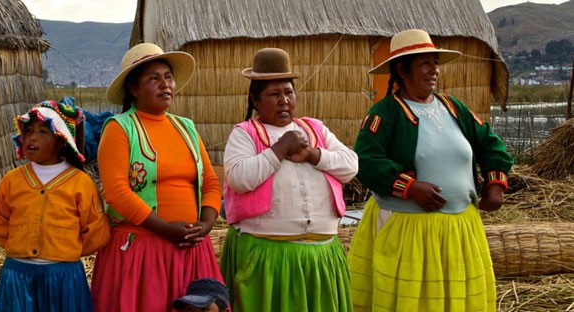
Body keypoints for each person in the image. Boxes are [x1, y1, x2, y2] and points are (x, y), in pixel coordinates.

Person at [348, 29, 514, 311]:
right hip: (410, 230)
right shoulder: (385, 113)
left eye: (435, 62)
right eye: (425, 63)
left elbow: (490, 143)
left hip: (460, 229)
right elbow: (366, 160)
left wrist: (495, 184)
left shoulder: (453, 107)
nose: (434, 70)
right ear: (402, 69)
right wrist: (409, 187)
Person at [220, 47, 359, 311]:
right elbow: (239, 178)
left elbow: (350, 165)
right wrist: (279, 150)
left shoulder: (314, 129)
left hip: (321, 256)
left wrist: (312, 155)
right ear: (256, 100)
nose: (284, 100)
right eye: (274, 94)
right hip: (268, 257)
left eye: (288, 92)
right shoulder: (245, 134)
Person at [90, 42, 224, 312]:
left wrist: (207, 224)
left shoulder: (185, 127)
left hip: (191, 249)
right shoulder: (120, 128)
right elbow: (117, 192)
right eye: (154, 78)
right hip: (142, 251)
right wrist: (165, 229)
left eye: (168, 77)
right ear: (134, 89)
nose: (165, 84)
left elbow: (209, 182)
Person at [0, 100, 110, 312]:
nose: (32, 137)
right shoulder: (12, 180)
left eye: (43, 131)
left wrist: (64, 252)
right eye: (28, 131)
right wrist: (18, 247)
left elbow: (96, 231)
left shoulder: (80, 183)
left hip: (62, 277)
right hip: (18, 274)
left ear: (61, 140)